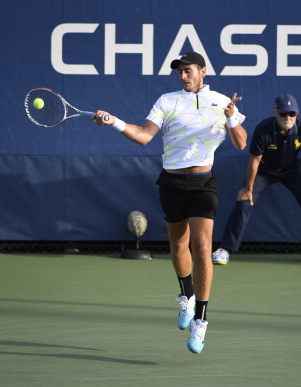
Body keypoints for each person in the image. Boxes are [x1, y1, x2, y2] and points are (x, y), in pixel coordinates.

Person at [92, 52, 247, 354]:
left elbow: (241, 143)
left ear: (203, 71)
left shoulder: (221, 102)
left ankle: (201, 320)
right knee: (179, 246)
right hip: (172, 183)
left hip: (204, 184)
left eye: (188, 71)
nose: (183, 76)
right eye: (180, 72)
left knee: (202, 248)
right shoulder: (167, 101)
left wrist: (230, 117)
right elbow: (144, 136)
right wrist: (113, 122)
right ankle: (186, 296)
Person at [212, 94, 301, 266]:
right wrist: (248, 188)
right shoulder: (263, 129)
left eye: (292, 114)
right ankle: (225, 249)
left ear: (296, 115)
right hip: (264, 171)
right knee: (244, 202)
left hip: (292, 169)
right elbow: (255, 160)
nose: (288, 118)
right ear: (275, 113)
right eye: (284, 114)